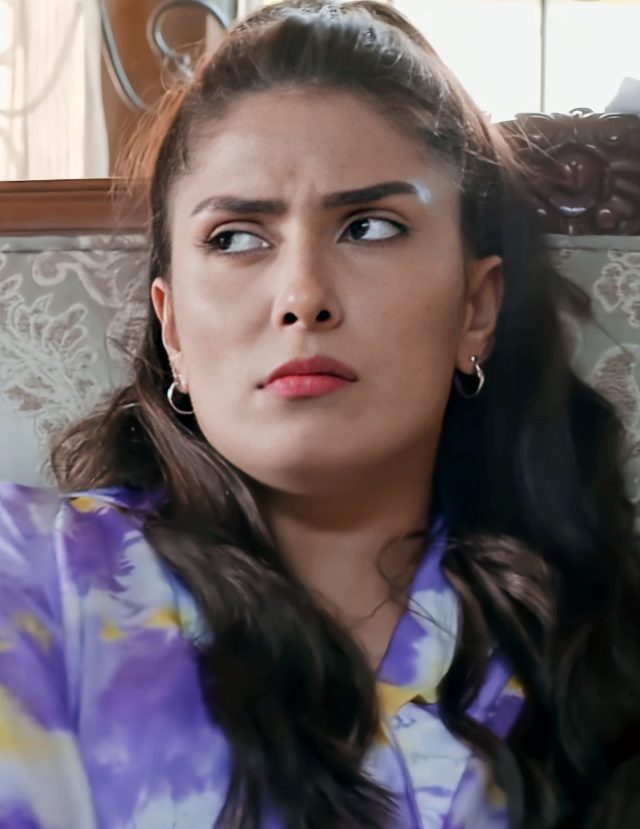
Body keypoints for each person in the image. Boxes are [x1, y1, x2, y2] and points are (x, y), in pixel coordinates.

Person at [0, 1, 638, 827]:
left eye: (369, 227)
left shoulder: (594, 637)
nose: (303, 295)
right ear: (173, 329)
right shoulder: (35, 580)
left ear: (475, 309)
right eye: (236, 237)